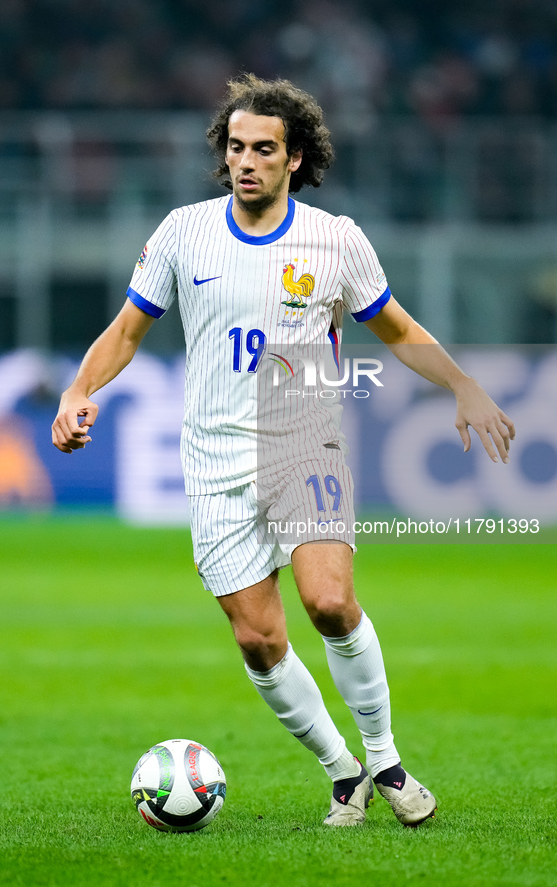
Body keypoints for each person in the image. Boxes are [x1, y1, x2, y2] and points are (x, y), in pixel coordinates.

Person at [52, 75, 515, 827]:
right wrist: (79, 390)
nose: (245, 162)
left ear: (293, 158)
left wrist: (461, 384)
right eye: (235, 148)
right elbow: (127, 330)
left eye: (263, 150)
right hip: (212, 457)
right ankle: (342, 772)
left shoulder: (334, 239)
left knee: (329, 602)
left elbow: (395, 328)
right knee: (259, 638)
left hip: (304, 436)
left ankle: (386, 758)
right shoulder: (183, 232)